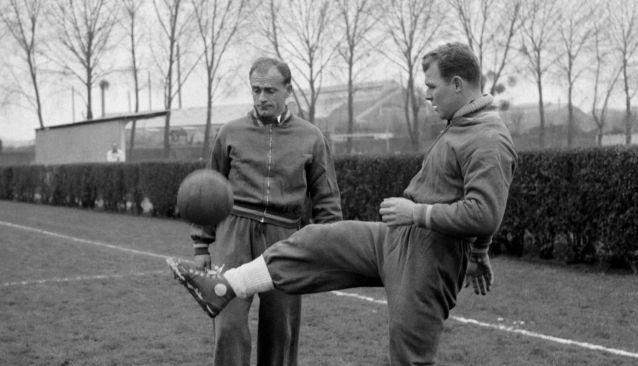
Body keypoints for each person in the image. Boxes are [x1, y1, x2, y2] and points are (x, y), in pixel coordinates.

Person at [168, 42, 517, 365]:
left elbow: (484, 213)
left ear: (457, 84)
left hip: (429, 257)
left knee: (410, 357)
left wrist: (418, 213)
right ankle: (226, 287)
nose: (427, 95)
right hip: (396, 238)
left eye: (432, 87)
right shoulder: (462, 124)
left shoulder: (487, 138)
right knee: (316, 239)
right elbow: (481, 203)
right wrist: (478, 253)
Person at [187, 57, 342, 366]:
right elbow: (210, 187)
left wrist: (331, 247)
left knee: (281, 330)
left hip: (284, 236)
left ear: (288, 91)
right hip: (234, 233)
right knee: (227, 324)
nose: (261, 98)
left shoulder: (311, 136)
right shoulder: (229, 132)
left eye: (270, 90)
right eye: (256, 90)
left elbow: (326, 196)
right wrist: (201, 244)